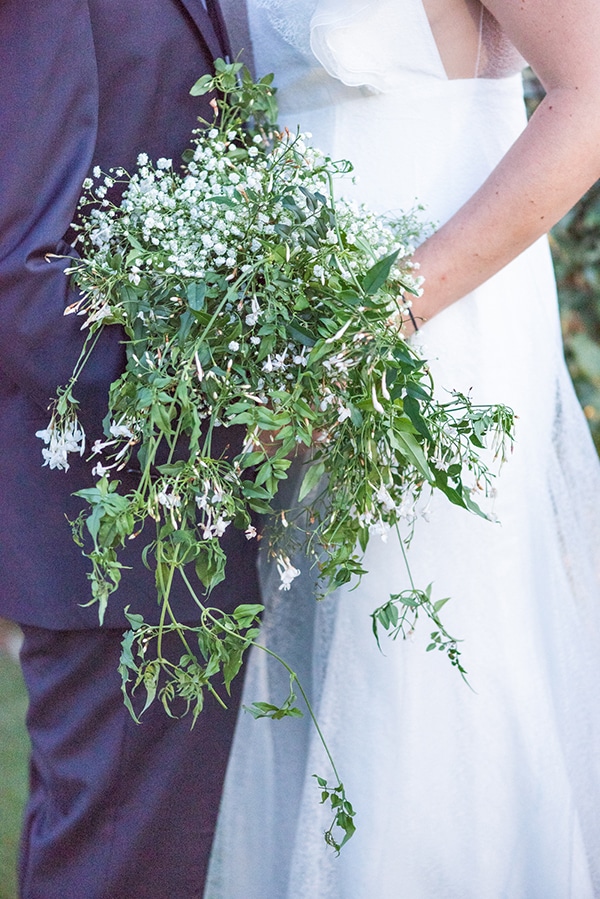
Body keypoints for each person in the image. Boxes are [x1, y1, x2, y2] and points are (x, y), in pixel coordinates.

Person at [205, 1, 600, 896]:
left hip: (436, 332)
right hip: (299, 352)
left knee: (423, 673)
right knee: (319, 684)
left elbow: (591, 95)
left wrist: (383, 318)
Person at [0, 2, 259, 897]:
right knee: (117, 864)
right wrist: (215, 420)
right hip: (126, 518)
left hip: (214, 511)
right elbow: (24, 267)